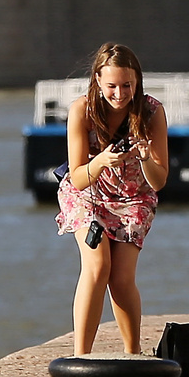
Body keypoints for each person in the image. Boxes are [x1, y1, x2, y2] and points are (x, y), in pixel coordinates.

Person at [56, 43, 170, 355]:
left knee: (121, 278)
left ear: (138, 82)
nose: (119, 94)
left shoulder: (152, 111)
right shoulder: (82, 110)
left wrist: (146, 159)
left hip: (134, 198)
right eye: (111, 86)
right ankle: (82, 357)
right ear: (96, 81)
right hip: (88, 194)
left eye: (127, 86)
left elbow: (159, 181)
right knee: (97, 265)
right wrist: (102, 161)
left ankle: (133, 354)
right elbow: (78, 177)